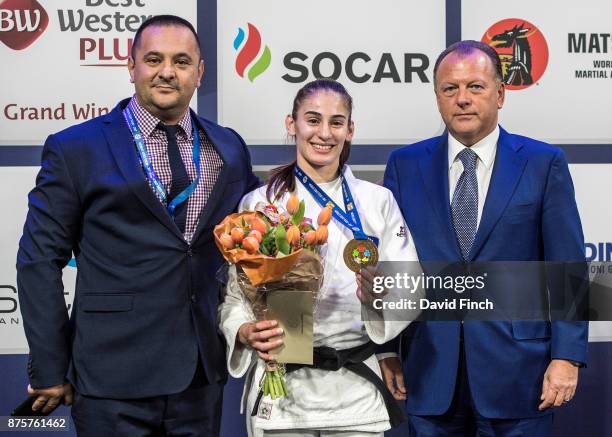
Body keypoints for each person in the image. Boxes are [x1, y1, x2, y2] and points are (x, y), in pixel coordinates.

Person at [16, 15, 259, 436]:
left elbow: (258, 234)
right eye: (154, 59)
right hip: (112, 377)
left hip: (199, 374)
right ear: (131, 67)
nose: (168, 71)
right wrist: (50, 366)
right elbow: (39, 261)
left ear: (199, 73)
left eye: (182, 61)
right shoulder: (76, 149)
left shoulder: (228, 147)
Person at [379, 40, 588, 436]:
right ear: (437, 97)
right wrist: (387, 349)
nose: (462, 99)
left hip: (520, 377)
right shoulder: (404, 165)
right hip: (428, 373)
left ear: (500, 93)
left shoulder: (543, 163)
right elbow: (390, 266)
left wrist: (567, 357)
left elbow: (568, 270)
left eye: (475, 87)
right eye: (449, 89)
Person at [218, 79, 418, 437]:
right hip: (282, 388)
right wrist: (245, 331)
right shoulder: (260, 204)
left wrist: (379, 295)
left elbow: (410, 288)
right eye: (312, 120)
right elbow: (236, 295)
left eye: (337, 122)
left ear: (350, 130)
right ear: (291, 124)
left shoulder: (378, 201)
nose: (324, 133)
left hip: (355, 390)